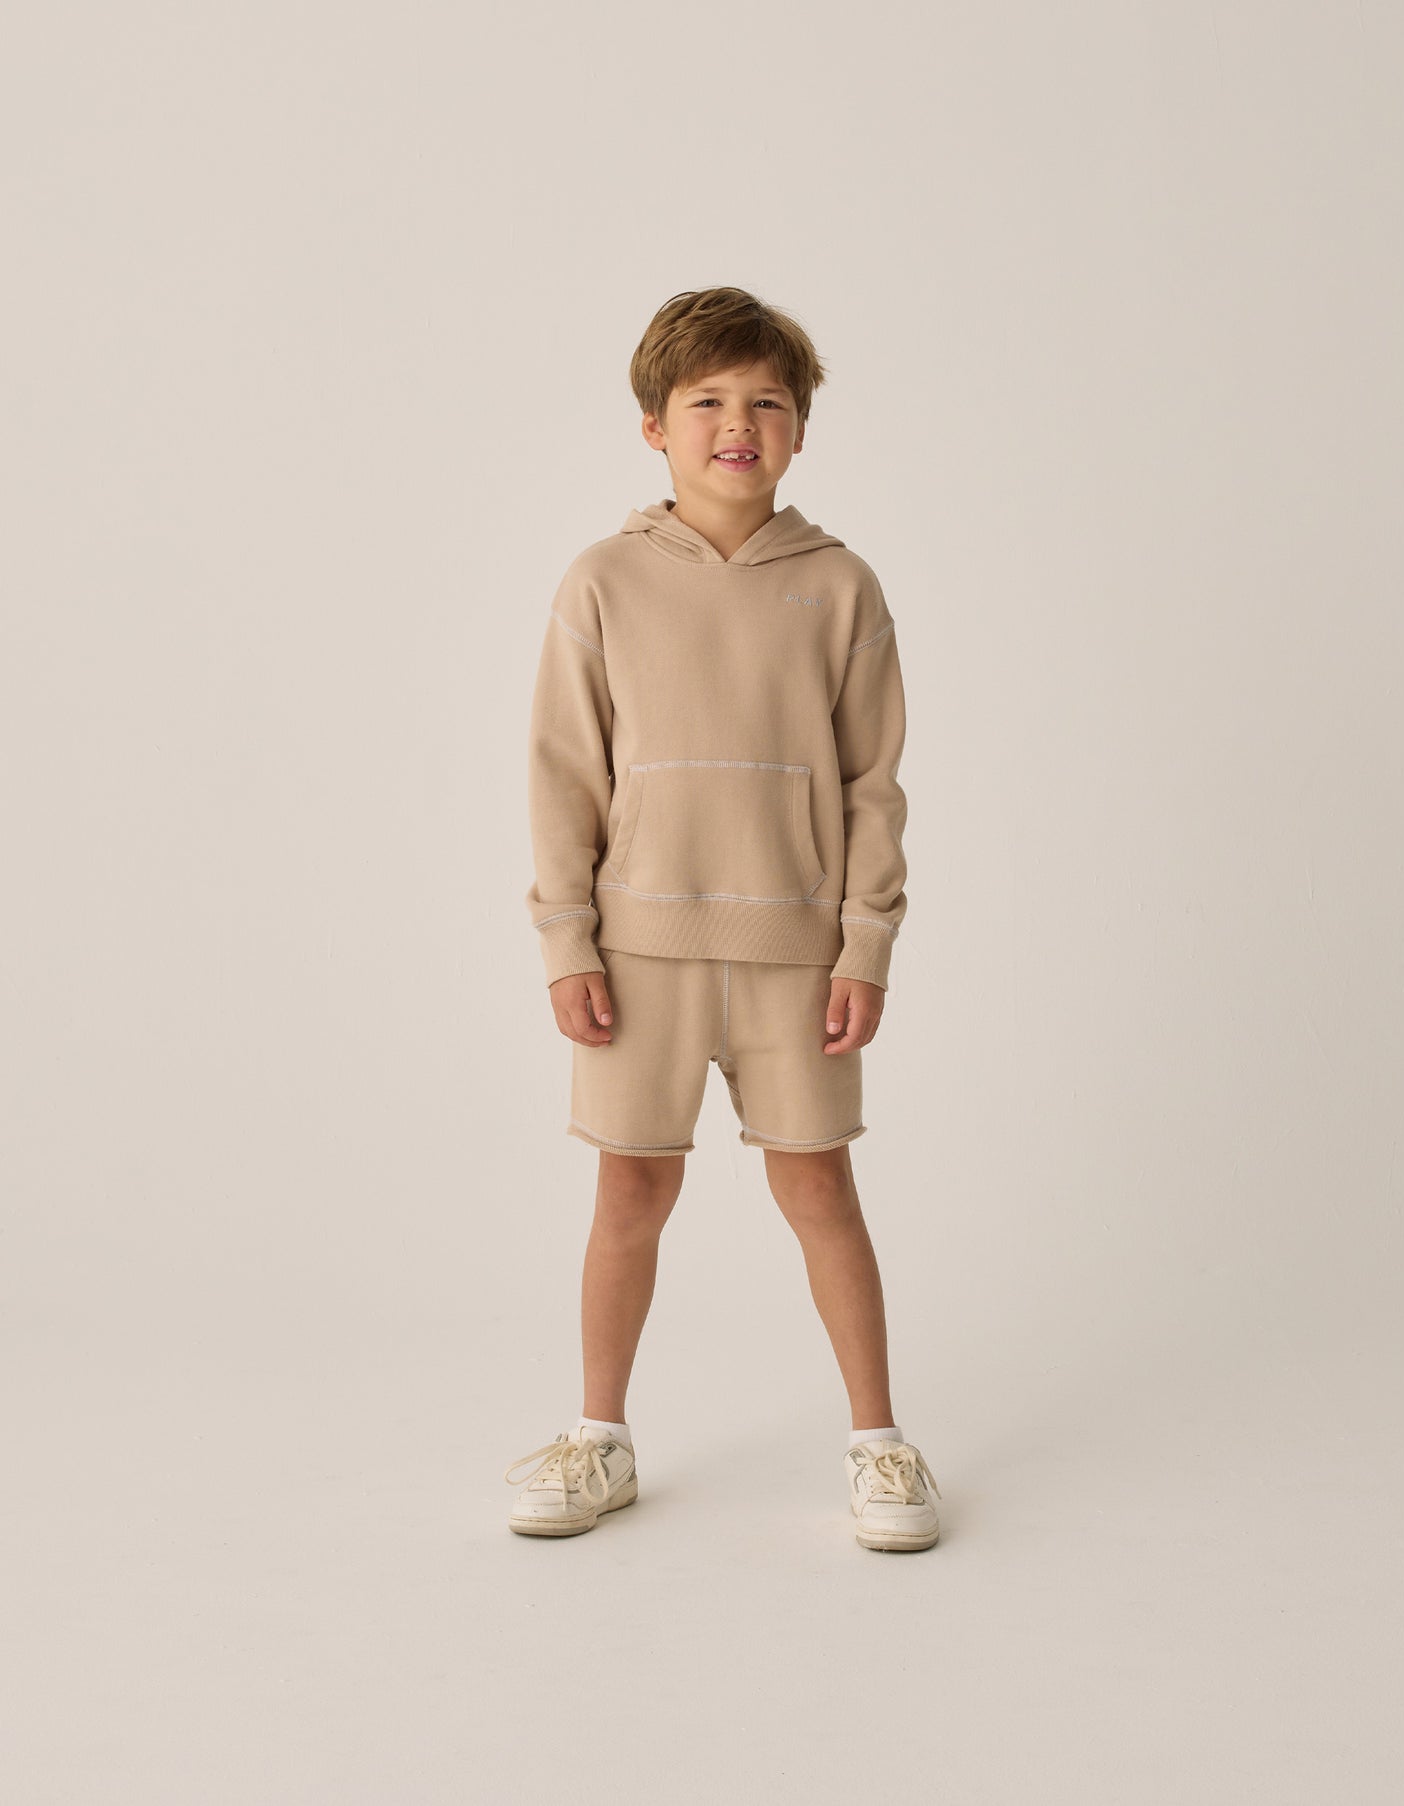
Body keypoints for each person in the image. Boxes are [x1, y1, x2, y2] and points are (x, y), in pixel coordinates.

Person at [503, 286, 942, 1552]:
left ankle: (878, 1443)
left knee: (819, 1189)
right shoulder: (601, 581)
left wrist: (864, 945)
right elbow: (562, 772)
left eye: (765, 402)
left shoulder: (840, 587)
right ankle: (597, 1437)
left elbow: (872, 783)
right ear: (654, 426)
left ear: (799, 428)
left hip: (795, 957)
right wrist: (565, 940)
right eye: (706, 402)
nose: (736, 425)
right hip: (636, 952)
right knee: (629, 1193)